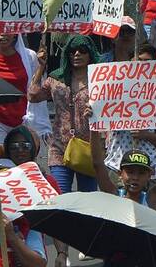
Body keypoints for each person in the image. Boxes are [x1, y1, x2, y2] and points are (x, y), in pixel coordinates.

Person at [28, 35, 101, 193]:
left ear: (90, 54)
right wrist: (41, 68)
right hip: (59, 147)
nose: (77, 54)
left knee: (87, 202)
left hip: (89, 147)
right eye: (72, 51)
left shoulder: (100, 79)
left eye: (82, 50)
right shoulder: (56, 78)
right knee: (60, 197)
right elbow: (33, 96)